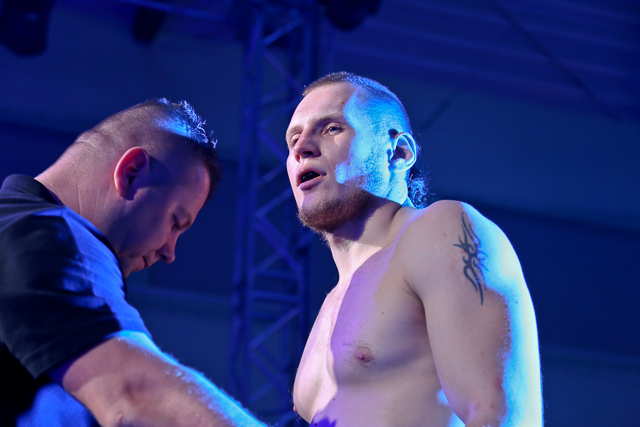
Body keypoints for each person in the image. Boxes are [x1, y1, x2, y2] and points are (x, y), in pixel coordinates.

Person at [285, 72, 542, 426]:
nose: (302, 148)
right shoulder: (331, 303)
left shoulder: (439, 230)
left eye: (331, 128)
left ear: (399, 153)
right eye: (293, 138)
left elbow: (501, 416)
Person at [0, 99, 265, 427]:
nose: (169, 252)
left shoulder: (12, 222)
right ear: (131, 172)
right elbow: (136, 395)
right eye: (175, 221)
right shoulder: (47, 235)